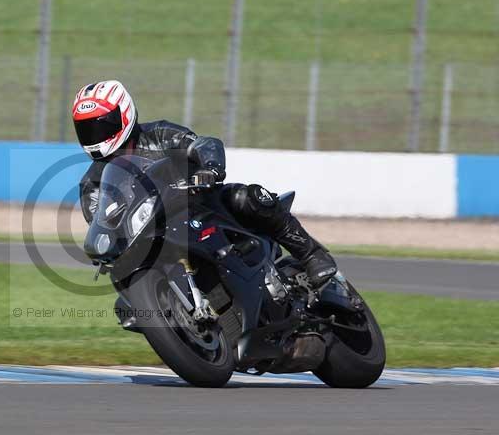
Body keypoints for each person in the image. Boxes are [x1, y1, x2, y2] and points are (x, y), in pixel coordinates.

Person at [73, 80, 337, 288]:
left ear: (124, 114)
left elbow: (202, 144)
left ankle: (312, 255)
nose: (96, 136)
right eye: (86, 129)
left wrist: (209, 168)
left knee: (248, 197)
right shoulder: (92, 184)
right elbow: (101, 223)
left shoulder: (160, 134)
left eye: (101, 126)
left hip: (199, 205)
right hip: (153, 238)